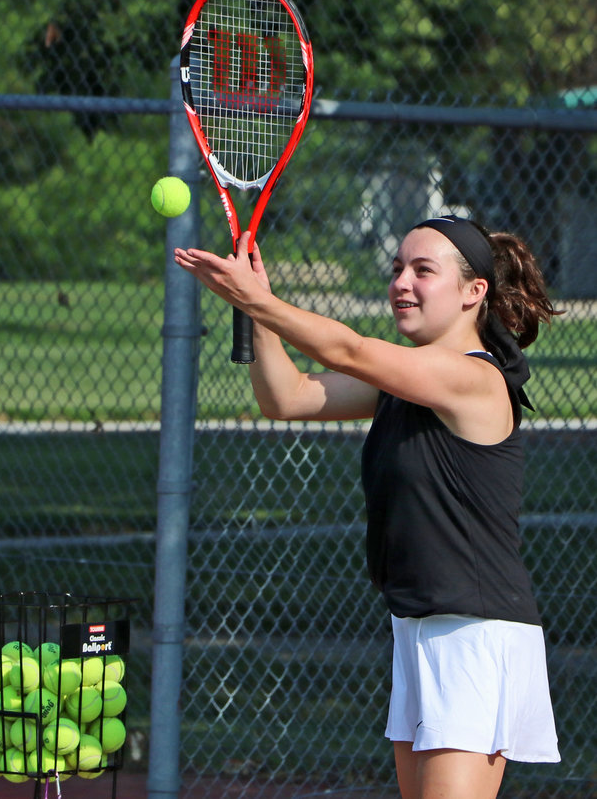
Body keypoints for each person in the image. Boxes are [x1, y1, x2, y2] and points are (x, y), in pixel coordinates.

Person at [174, 214, 562, 799]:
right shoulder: (403, 384)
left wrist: (258, 299)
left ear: (473, 292)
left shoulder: (473, 380)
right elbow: (289, 397)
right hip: (418, 625)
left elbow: (352, 349)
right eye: (398, 268)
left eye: (423, 271)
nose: (402, 282)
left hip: (474, 634)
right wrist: (254, 308)